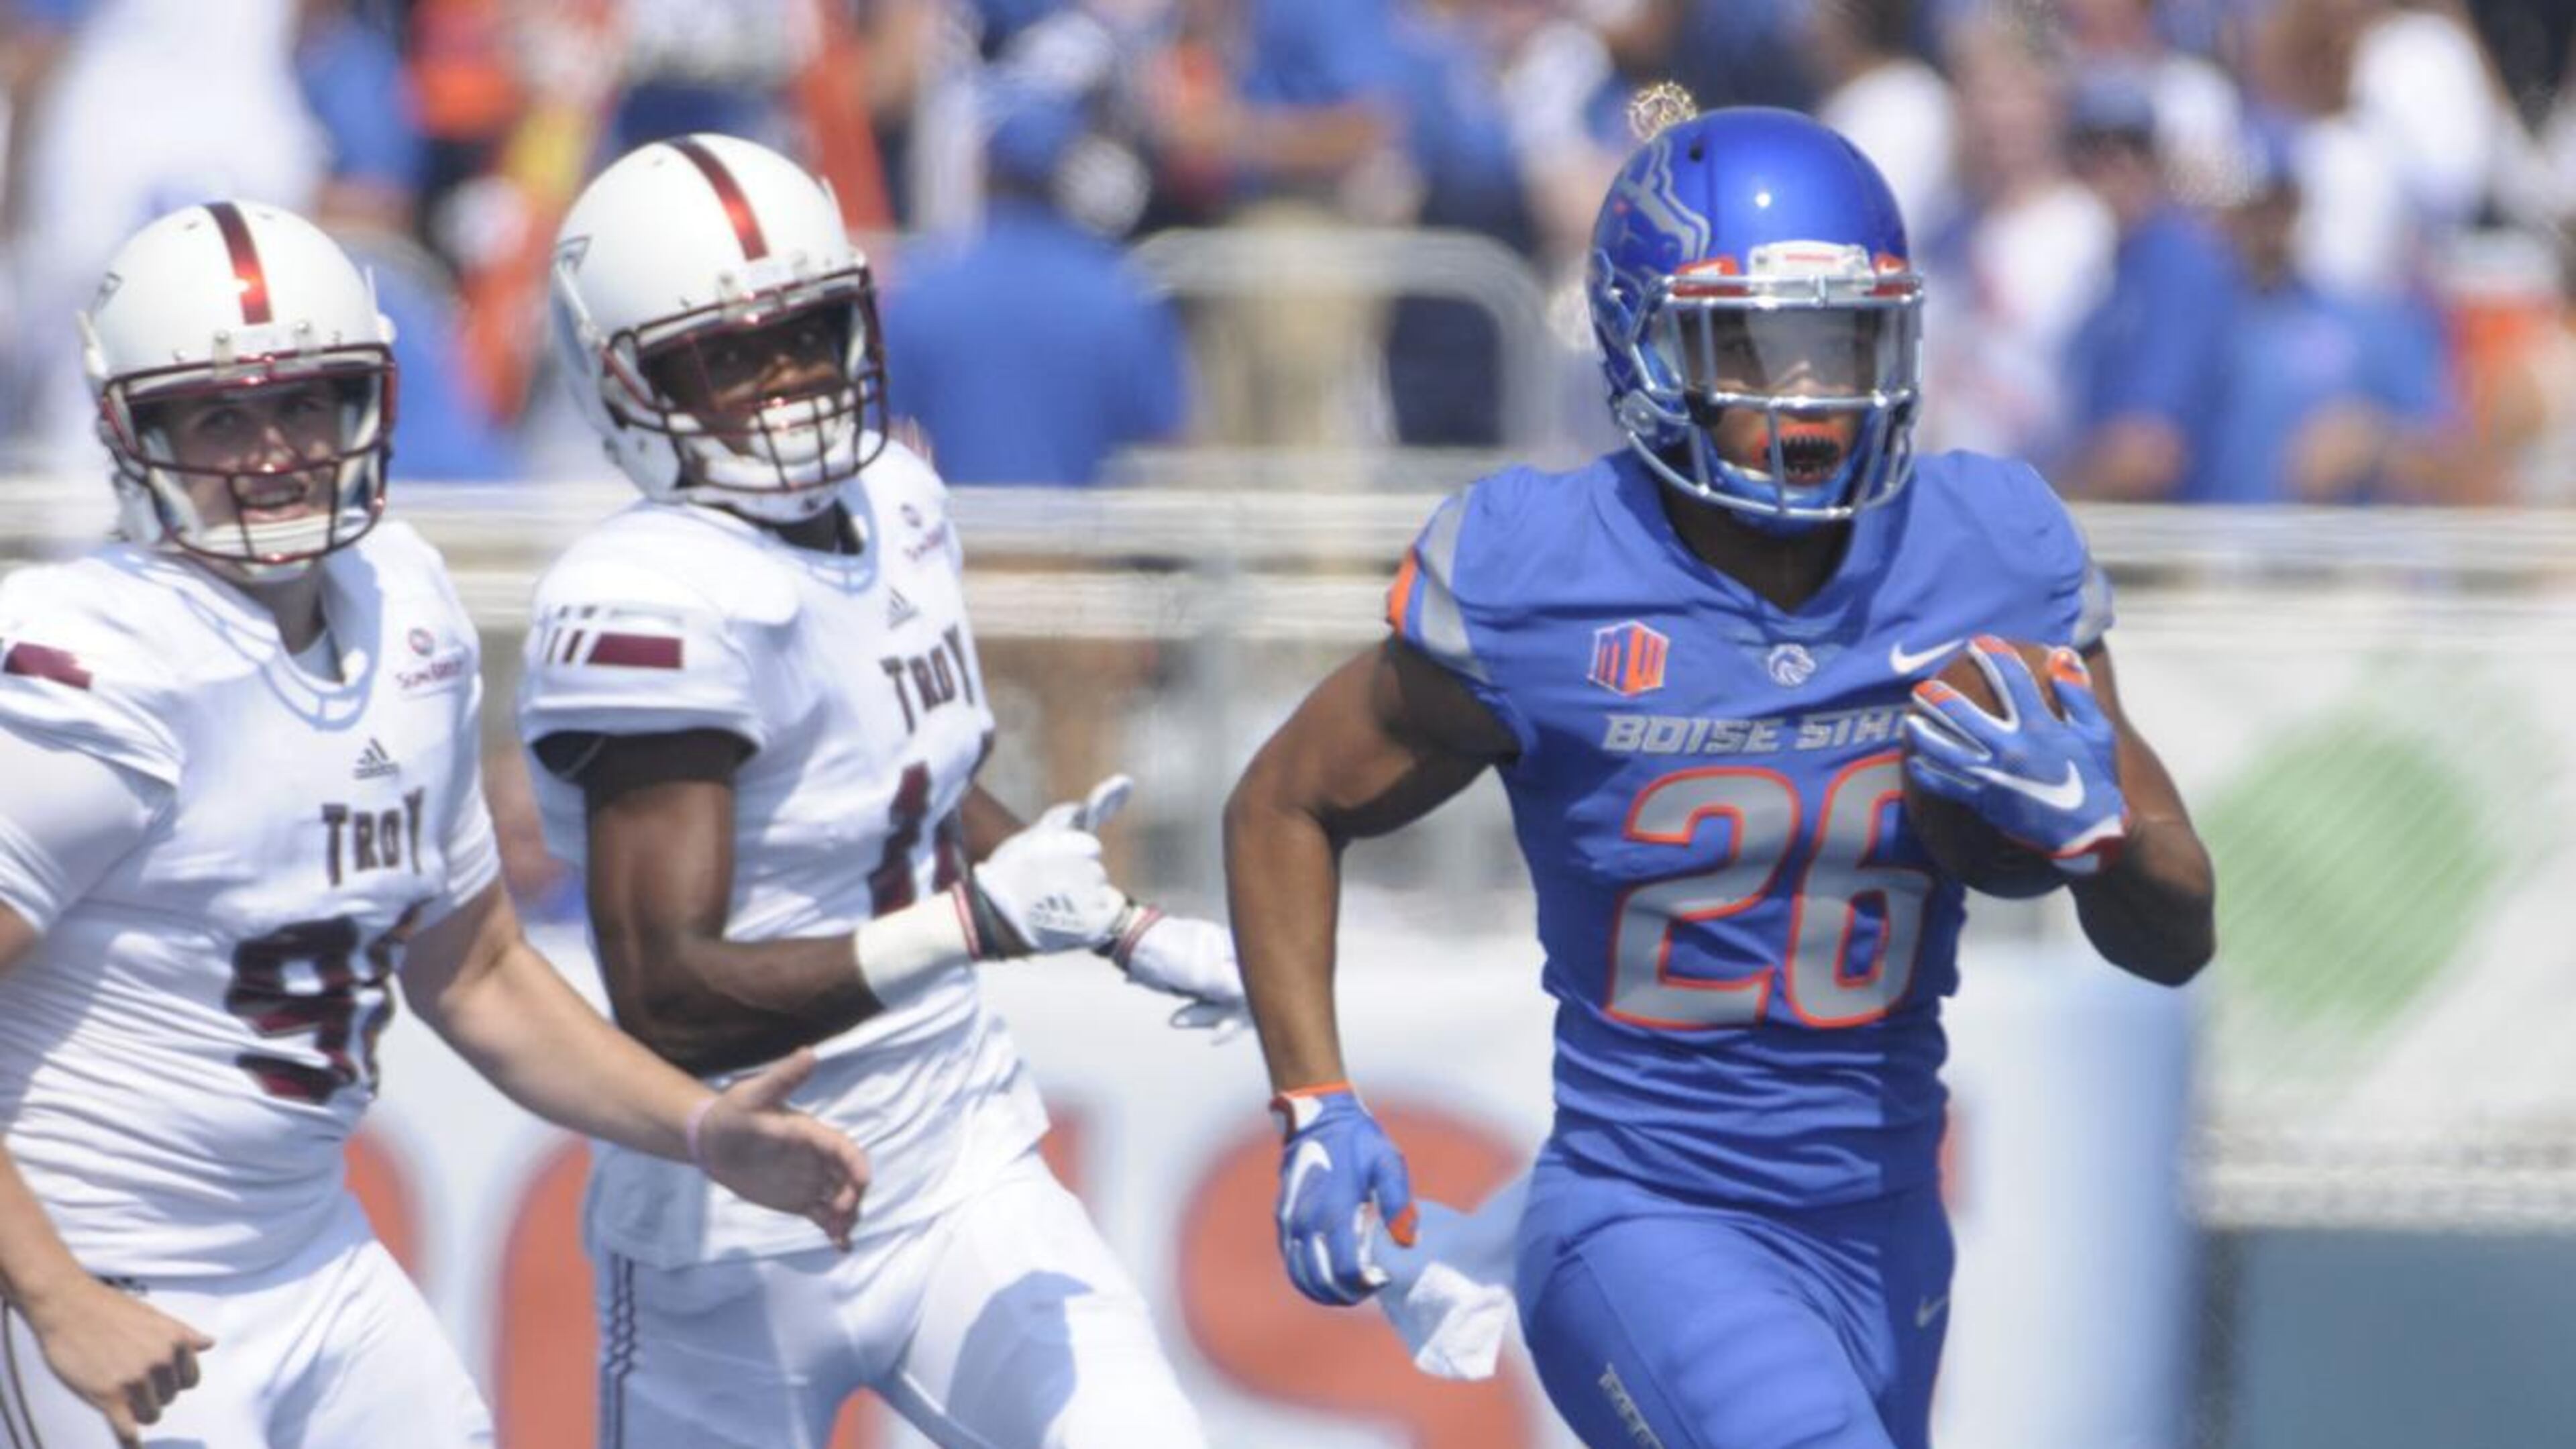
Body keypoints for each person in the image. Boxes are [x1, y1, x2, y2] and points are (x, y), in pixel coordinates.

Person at [1224, 107, 2216, 1449]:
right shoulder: (1544, 580)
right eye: (1758, 347)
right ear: (1645, 343)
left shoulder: (1985, 555)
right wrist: (1314, 1102)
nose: (1810, 396)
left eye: (1845, 344)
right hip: (1650, 1220)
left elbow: (2176, 935)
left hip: (1888, 1237)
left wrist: (2096, 834)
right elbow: (1287, 799)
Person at [0, 200, 870, 1449]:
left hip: (316, 1256)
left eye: (304, 401)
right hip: (112, 1274)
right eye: (220, 415)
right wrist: (54, 1295)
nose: (273, 450)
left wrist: (699, 1125)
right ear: (136, 437)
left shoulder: (402, 606)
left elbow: (478, 970)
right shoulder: (98, 668)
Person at [520, 132, 1236, 1448]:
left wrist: (1126, 929)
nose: (787, 380)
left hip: (961, 1160)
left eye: (804, 332)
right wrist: (969, 927)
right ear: (623, 381)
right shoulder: (646, 597)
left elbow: (918, 780)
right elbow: (667, 999)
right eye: (723, 356)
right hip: (726, 1235)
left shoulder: (898, 495)